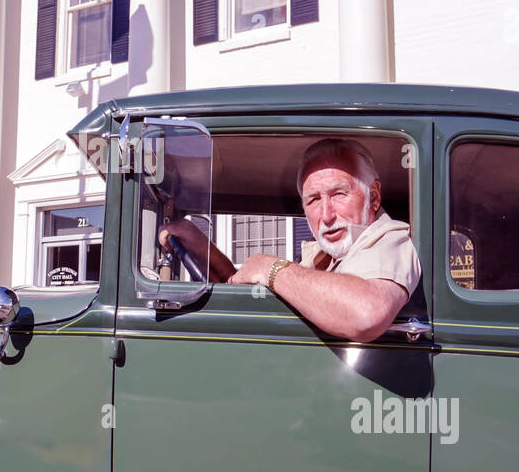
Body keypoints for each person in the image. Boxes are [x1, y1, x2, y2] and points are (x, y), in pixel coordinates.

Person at [157, 137, 421, 343]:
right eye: (314, 200)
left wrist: (272, 268)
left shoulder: (389, 238)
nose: (327, 215)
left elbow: (366, 313)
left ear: (373, 197)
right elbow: (242, 290)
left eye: (339, 194)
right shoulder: (322, 254)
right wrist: (195, 240)